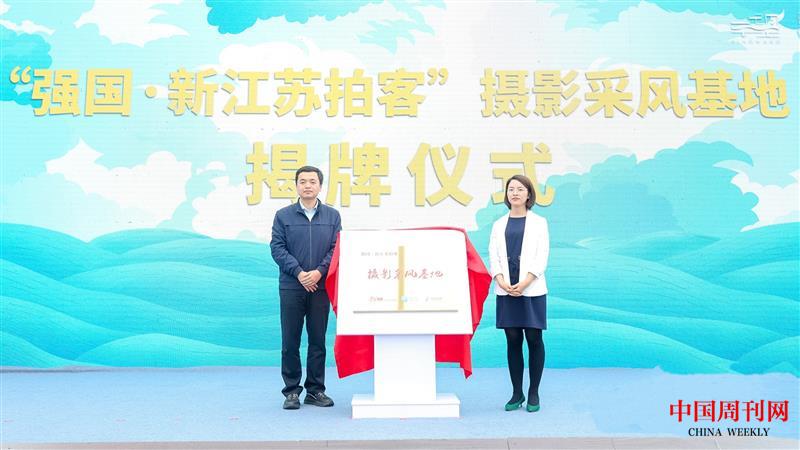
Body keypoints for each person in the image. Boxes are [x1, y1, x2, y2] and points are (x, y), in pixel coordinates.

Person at [270, 166, 341, 410]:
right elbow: (277, 248)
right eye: (303, 181)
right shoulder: (283, 216)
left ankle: (315, 390)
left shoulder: (333, 216)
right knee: (290, 341)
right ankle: (291, 391)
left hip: (320, 287)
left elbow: (336, 249)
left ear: (320, 186)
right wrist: (299, 273)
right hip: (292, 286)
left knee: (317, 340)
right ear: (297, 186)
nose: (307, 185)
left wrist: (319, 272)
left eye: (312, 181)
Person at [488, 174, 550, 412]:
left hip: (531, 289)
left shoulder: (539, 223)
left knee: (533, 338)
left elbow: (542, 256)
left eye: (520, 189)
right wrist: (501, 280)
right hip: (506, 290)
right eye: (511, 189)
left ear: (528, 194)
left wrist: (525, 283)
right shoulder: (498, 224)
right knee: (512, 339)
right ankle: (517, 393)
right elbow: (494, 255)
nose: (515, 193)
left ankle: (534, 392)